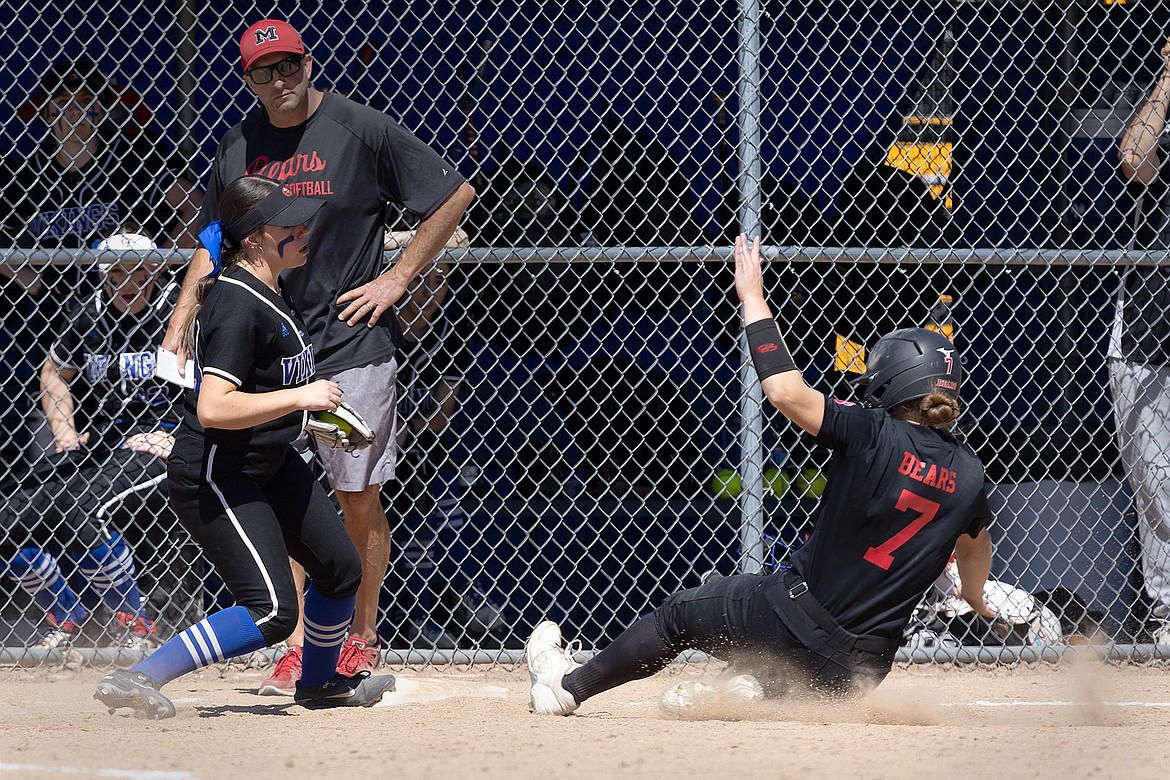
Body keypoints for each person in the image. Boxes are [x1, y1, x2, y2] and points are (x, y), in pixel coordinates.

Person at [525, 235, 997, 714]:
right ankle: (755, 685)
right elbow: (975, 550)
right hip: (862, 668)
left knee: (682, 613)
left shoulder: (872, 430)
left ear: (892, 381)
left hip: (795, 620)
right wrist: (975, 598)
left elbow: (784, 392)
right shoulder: (970, 472)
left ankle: (567, 687)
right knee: (783, 644)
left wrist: (753, 298)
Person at [161, 19, 475, 684]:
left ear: (309, 62)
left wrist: (397, 277)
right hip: (273, 353)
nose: (280, 80)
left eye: (290, 65)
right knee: (284, 493)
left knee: (354, 492)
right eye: (264, 71)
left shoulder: (360, 127)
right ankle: (305, 643)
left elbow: (454, 195)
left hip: (351, 343)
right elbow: (217, 233)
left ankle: (362, 635)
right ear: (246, 79)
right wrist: (183, 313)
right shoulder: (240, 143)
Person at [95, 175, 397, 719]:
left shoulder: (273, 289)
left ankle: (319, 683)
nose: (304, 230)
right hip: (217, 470)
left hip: (269, 460)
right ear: (255, 237)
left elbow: (263, 388)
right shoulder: (236, 301)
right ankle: (139, 676)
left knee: (339, 567)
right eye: (289, 223)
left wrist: (306, 412)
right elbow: (214, 407)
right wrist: (300, 396)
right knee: (272, 612)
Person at [1, 230, 174, 650]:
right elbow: (54, 373)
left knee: (84, 511)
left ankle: (134, 624)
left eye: (139, 273)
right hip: (100, 445)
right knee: (8, 515)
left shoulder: (176, 311)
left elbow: (210, 382)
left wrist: (177, 433)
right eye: (117, 274)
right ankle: (65, 614)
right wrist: (65, 434)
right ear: (103, 276)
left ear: (155, 274)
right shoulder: (88, 313)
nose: (129, 284)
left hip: (159, 442)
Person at [1113, 34, 1170, 647]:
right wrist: (1168, 80)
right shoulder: (1163, 120)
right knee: (1158, 482)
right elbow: (1133, 158)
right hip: (1152, 333)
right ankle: (1168, 616)